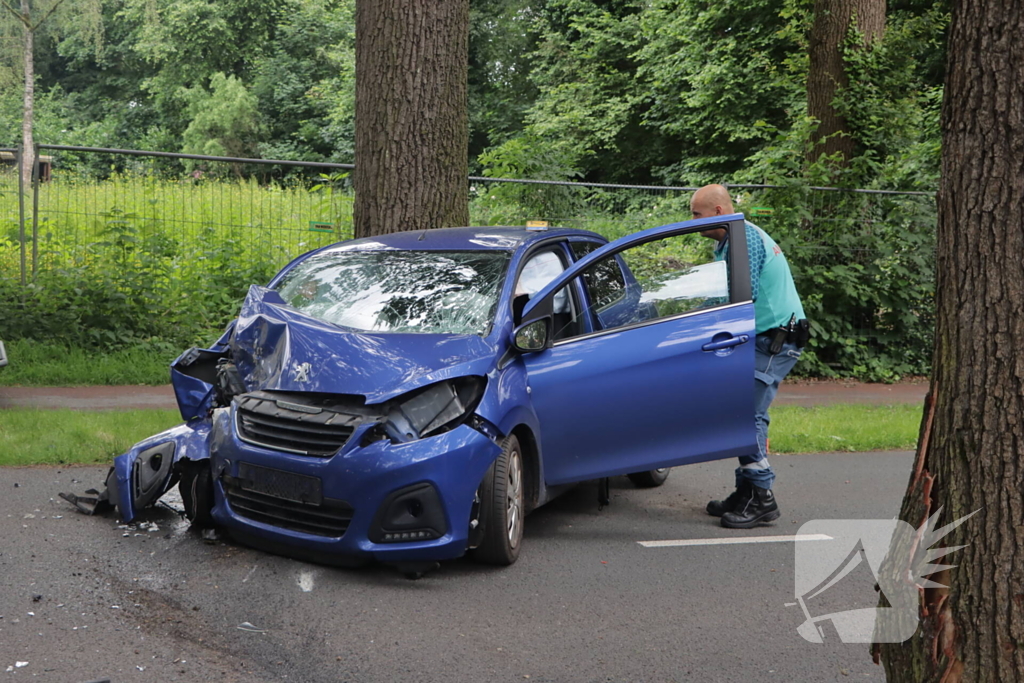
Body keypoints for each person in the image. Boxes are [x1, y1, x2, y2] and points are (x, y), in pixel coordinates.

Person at [690, 184, 807, 529]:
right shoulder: (732, 240)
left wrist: (691, 318)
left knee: (746, 414)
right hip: (765, 338)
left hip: (774, 341)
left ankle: (762, 499)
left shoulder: (745, 241)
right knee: (746, 413)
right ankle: (746, 491)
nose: (692, 221)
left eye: (696, 214)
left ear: (718, 212)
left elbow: (740, 295)